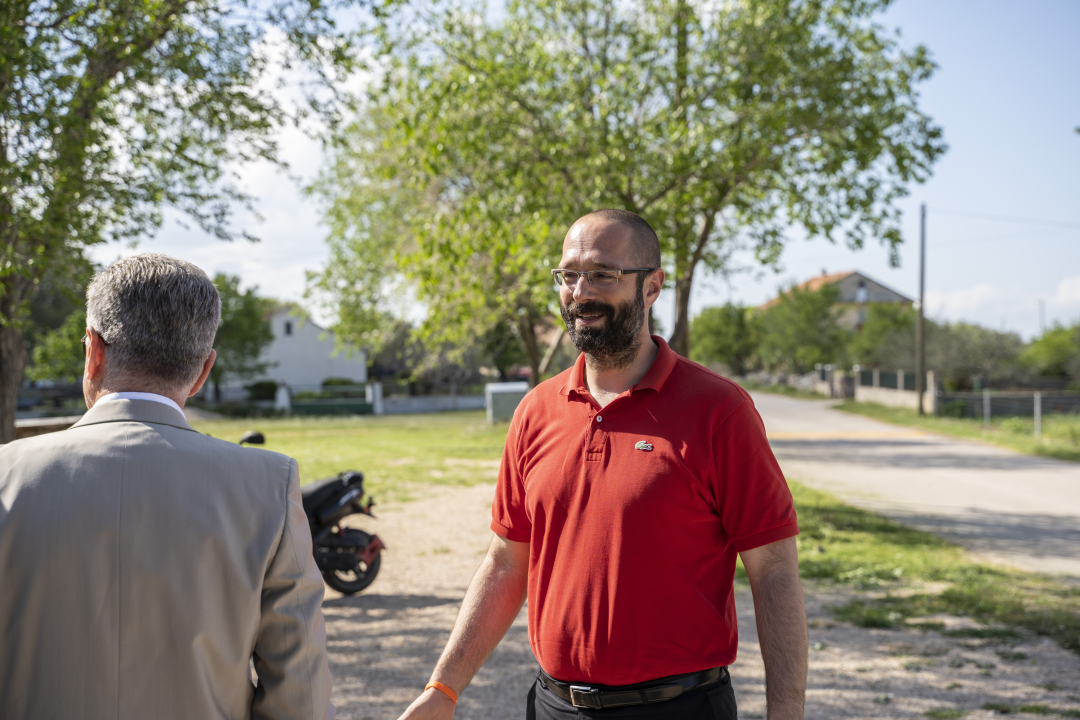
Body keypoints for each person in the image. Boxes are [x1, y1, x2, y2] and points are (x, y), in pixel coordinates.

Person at [398, 210, 807, 720]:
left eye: (603, 275)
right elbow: (505, 563)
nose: (580, 291)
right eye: (569, 275)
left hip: (679, 709)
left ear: (652, 286)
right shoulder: (536, 410)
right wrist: (444, 687)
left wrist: (786, 712)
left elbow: (773, 572)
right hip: (552, 707)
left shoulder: (719, 411)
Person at [0, 254, 334, 720]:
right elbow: (301, 694)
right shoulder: (268, 485)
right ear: (203, 371)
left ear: (93, 351)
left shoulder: (5, 476)